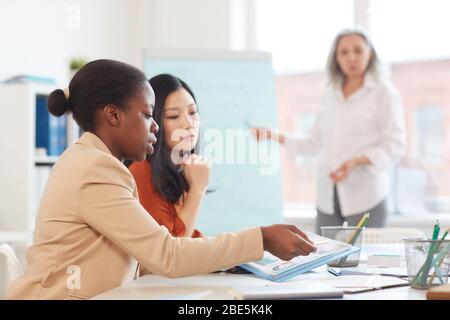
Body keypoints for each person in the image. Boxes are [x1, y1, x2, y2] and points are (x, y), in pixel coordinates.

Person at [7, 59, 316, 300]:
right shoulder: (95, 170)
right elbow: (167, 255)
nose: (154, 126)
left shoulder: (96, 162)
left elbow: (149, 257)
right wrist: (260, 238)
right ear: (113, 115)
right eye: (147, 114)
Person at [252, 27, 406, 233]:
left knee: (360, 262)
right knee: (325, 258)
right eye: (344, 52)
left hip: (366, 196)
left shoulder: (384, 92)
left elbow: (396, 144)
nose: (351, 57)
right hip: (328, 195)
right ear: (336, 59)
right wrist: (272, 135)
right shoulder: (330, 94)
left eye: (358, 50)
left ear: (370, 54)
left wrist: (358, 160)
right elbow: (313, 143)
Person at [127, 74, 206, 238]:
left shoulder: (178, 169)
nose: (188, 124)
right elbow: (171, 253)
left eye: (192, 112)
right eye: (173, 116)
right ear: (153, 123)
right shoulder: (141, 172)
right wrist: (198, 190)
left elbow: (190, 236)